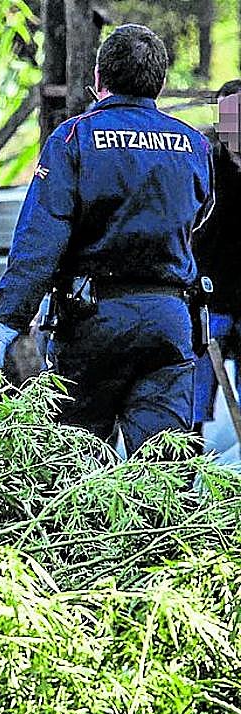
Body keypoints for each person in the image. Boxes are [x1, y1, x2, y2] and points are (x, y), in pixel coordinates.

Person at [0, 24, 215, 454]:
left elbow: (41, 237)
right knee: (164, 465)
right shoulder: (194, 145)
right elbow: (199, 218)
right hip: (170, 319)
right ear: (160, 82)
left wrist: (11, 319)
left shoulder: (75, 138)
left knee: (77, 463)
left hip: (94, 321)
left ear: (97, 79)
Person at [191, 82, 241, 444]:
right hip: (212, 300)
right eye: (225, 116)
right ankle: (185, 485)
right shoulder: (206, 165)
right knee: (195, 401)